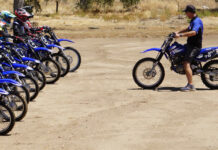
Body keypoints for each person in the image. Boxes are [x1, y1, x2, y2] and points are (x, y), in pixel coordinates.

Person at [175, 5, 204, 91]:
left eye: (186, 12)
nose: (186, 14)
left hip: (195, 46)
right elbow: (188, 28)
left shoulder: (197, 21)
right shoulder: (193, 20)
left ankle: (191, 85)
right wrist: (178, 32)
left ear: (190, 12)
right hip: (190, 45)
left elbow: (194, 32)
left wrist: (180, 35)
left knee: (186, 63)